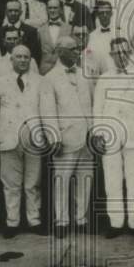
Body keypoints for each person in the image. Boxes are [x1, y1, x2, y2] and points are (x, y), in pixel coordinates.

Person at [90, 38, 134, 237]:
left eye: (124, 52)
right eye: (117, 53)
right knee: (112, 179)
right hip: (111, 135)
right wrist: (98, 133)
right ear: (111, 55)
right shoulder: (104, 79)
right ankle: (116, 222)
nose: (121, 57)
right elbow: (98, 108)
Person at [40, 36, 95, 237]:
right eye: (73, 49)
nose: (77, 52)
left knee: (85, 179)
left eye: (77, 49)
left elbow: (90, 105)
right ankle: (62, 221)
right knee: (62, 180)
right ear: (61, 51)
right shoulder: (49, 78)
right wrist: (54, 137)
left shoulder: (84, 75)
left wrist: (93, 131)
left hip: (86, 138)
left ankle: (81, 219)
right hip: (64, 137)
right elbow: (47, 111)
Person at [0, 45, 45, 237]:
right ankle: (12, 222)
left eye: (26, 57)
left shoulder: (40, 82)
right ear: (11, 60)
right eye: (18, 57)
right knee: (10, 183)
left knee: (33, 182)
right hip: (9, 137)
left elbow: (45, 110)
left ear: (31, 60)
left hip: (33, 137)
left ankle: (34, 220)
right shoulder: (0, 82)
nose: (22, 60)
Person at [36, 0, 73, 75]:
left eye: (55, 8)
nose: (52, 10)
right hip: (44, 71)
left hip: (63, 70)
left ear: (60, 10)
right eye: (50, 8)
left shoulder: (69, 29)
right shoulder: (40, 30)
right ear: (47, 10)